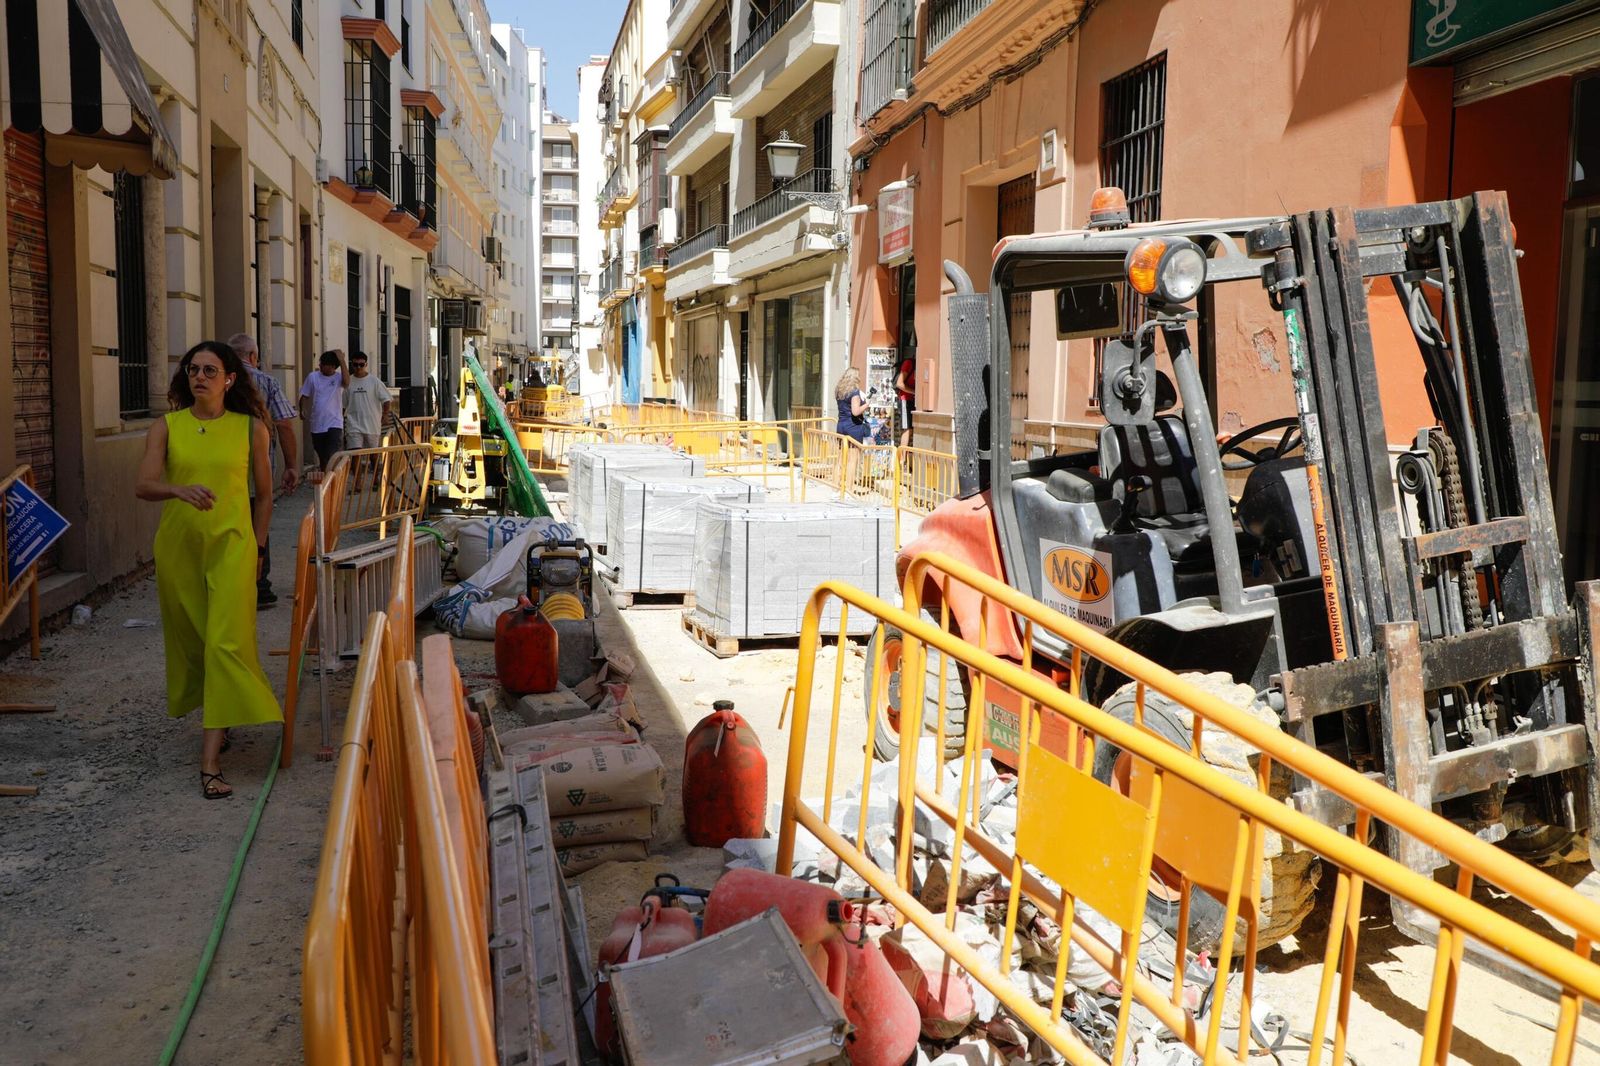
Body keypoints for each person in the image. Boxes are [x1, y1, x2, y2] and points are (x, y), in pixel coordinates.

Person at [135, 340, 283, 799]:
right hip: (179, 549)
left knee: (224, 643)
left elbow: (265, 495)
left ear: (230, 380)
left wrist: (259, 548)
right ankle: (223, 715)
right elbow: (144, 485)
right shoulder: (166, 427)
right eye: (193, 369)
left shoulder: (251, 429)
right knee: (197, 643)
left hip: (233, 548)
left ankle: (210, 763)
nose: (199, 377)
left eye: (210, 370)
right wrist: (178, 490)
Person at [227, 333, 299, 609]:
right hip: (259, 470)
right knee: (259, 521)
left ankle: (229, 584)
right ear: (253, 356)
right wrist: (291, 466)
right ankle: (259, 585)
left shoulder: (220, 381)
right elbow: (284, 425)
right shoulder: (267, 382)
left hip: (224, 470)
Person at [299, 349, 349, 481]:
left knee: (332, 454)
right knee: (322, 456)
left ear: (332, 367)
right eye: (320, 363)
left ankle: (333, 481)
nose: (320, 366)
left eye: (323, 364)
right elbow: (304, 395)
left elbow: (347, 382)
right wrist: (302, 408)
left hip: (334, 422)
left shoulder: (338, 378)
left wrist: (342, 360)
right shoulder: (313, 377)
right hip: (317, 423)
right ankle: (325, 481)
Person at [343, 352, 393, 449]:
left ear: (366, 364)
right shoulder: (348, 382)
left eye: (361, 365)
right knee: (355, 452)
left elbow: (386, 399)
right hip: (353, 425)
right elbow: (343, 405)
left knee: (373, 453)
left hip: (372, 425)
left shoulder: (375, 381)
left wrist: (385, 414)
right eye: (355, 365)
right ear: (352, 365)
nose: (358, 367)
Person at [835, 367, 872, 444]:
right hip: (853, 426)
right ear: (855, 377)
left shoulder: (839, 390)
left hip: (841, 425)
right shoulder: (854, 392)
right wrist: (867, 404)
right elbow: (855, 412)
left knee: (843, 450)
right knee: (855, 451)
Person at [894, 352, 915, 449]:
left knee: (910, 429)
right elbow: (899, 384)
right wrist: (914, 392)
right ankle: (902, 457)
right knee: (907, 428)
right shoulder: (909, 363)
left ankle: (904, 454)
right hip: (905, 400)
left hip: (912, 400)